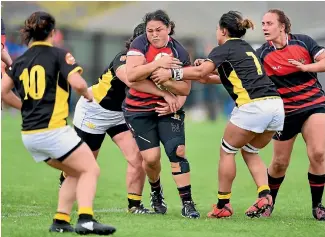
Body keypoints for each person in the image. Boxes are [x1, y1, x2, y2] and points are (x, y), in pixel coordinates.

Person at [151, 10, 284, 218]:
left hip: (253, 106)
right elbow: (212, 77)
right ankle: (265, 194)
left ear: (223, 30)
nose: (216, 32)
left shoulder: (224, 48)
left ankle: (223, 205)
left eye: (217, 29)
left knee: (227, 151)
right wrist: (203, 68)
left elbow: (201, 74)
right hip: (276, 107)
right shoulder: (245, 48)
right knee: (250, 151)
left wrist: (172, 73)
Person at [1, 11, 116, 235]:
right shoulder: (59, 54)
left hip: (30, 136)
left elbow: (3, 92)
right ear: (53, 32)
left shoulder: (21, 60)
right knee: (91, 169)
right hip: (53, 131)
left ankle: (61, 220)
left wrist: (25, 107)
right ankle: (86, 219)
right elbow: (78, 83)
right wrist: (87, 94)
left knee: (75, 171)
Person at [60, 23, 180, 215]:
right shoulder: (123, 59)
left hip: (121, 115)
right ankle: (65, 176)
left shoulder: (152, 62)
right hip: (94, 111)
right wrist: (164, 89)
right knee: (85, 163)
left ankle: (134, 205)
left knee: (137, 158)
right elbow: (132, 81)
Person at [125, 9, 200, 218]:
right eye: (150, 30)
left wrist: (167, 80)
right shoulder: (139, 44)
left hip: (168, 111)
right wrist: (158, 64)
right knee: (150, 159)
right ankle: (156, 191)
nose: (154, 34)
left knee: (177, 151)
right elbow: (132, 76)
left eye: (159, 29)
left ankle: (188, 203)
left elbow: (185, 88)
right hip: (138, 110)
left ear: (169, 28)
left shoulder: (180, 52)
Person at [256, 9, 325, 220]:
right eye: (263, 23)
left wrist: (306, 67)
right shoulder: (261, 53)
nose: (264, 27)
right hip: (285, 113)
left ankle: (317, 206)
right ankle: (269, 204)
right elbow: (239, 73)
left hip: (314, 105)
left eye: (269, 23)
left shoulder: (303, 42)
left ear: (282, 26)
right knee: (279, 163)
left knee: (319, 153)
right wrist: (207, 70)